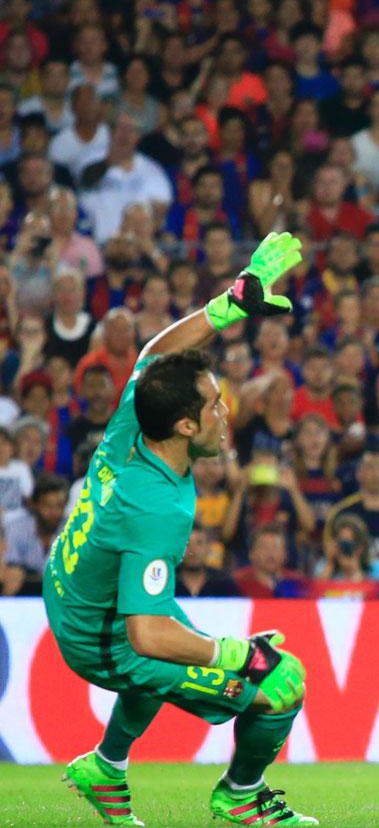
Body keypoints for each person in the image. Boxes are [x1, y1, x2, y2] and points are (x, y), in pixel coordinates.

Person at [42, 231, 317, 825]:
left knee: (173, 642)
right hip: (103, 638)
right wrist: (242, 656)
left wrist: (231, 303)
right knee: (280, 684)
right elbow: (146, 635)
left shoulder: (134, 421)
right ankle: (240, 798)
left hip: (75, 586)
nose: (227, 410)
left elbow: (152, 353)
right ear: (187, 427)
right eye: (215, 404)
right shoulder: (158, 510)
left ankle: (106, 767)